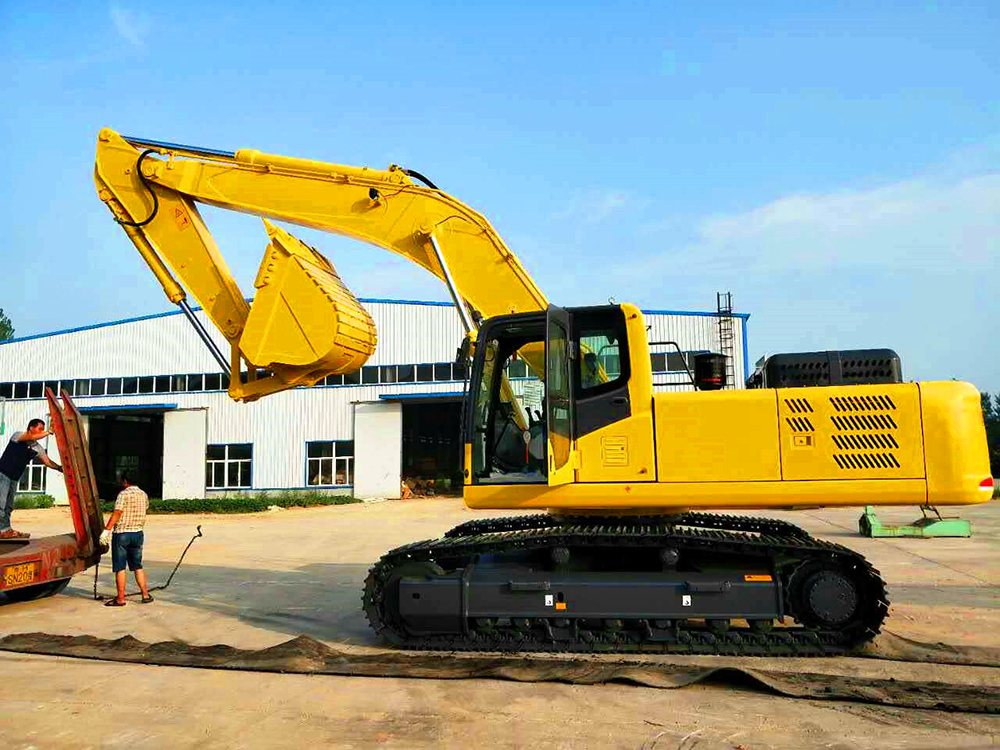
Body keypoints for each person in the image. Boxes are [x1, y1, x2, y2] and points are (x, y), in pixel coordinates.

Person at [0, 419, 63, 540]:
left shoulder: (36, 447)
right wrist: (49, 432)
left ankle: (5, 529)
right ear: (31, 428)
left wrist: (60, 468)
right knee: (0, 504)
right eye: (40, 429)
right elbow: (30, 436)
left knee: (8, 506)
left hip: (14, 478)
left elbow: (47, 462)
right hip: (2, 474)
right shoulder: (17, 436)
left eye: (43, 429)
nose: (42, 432)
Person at [99, 473, 152, 606]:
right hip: (138, 534)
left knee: (120, 567)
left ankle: (121, 598)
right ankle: (145, 595)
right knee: (137, 566)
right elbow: (145, 509)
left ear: (125, 481)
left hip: (122, 534)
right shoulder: (143, 494)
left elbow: (117, 513)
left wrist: (106, 531)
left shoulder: (123, 494)